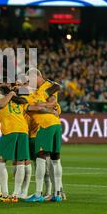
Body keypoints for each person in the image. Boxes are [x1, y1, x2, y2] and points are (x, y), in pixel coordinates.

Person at [0, 85, 53, 203]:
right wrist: (50, 108)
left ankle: (5, 194)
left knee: (0, 161)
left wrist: (9, 94)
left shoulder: (0, 101)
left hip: (10, 130)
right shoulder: (19, 103)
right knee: (21, 161)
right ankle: (16, 194)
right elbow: (34, 107)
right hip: (23, 131)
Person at [23, 69, 63, 202]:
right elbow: (53, 103)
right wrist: (51, 109)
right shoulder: (39, 93)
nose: (28, 84)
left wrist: (44, 106)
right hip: (56, 124)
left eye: (28, 81)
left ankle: (38, 194)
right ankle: (57, 194)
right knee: (55, 160)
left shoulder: (28, 97)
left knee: (40, 159)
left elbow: (38, 108)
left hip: (45, 126)